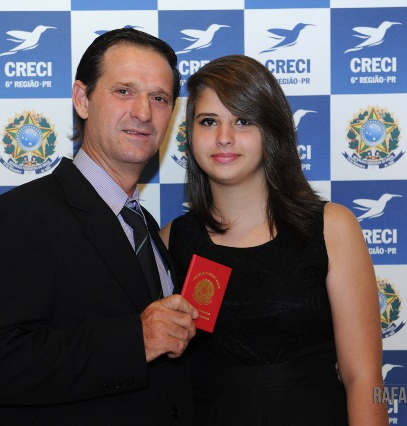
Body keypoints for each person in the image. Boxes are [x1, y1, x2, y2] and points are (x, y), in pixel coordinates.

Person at [0, 28, 198, 425]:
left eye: (159, 98)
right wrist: (134, 341)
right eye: (124, 91)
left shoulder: (143, 225)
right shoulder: (22, 215)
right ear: (82, 99)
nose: (143, 112)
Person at [160, 55, 388, 425]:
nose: (224, 137)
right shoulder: (171, 241)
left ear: (272, 130)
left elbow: (364, 378)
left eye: (243, 120)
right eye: (208, 121)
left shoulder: (331, 228)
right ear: (190, 134)